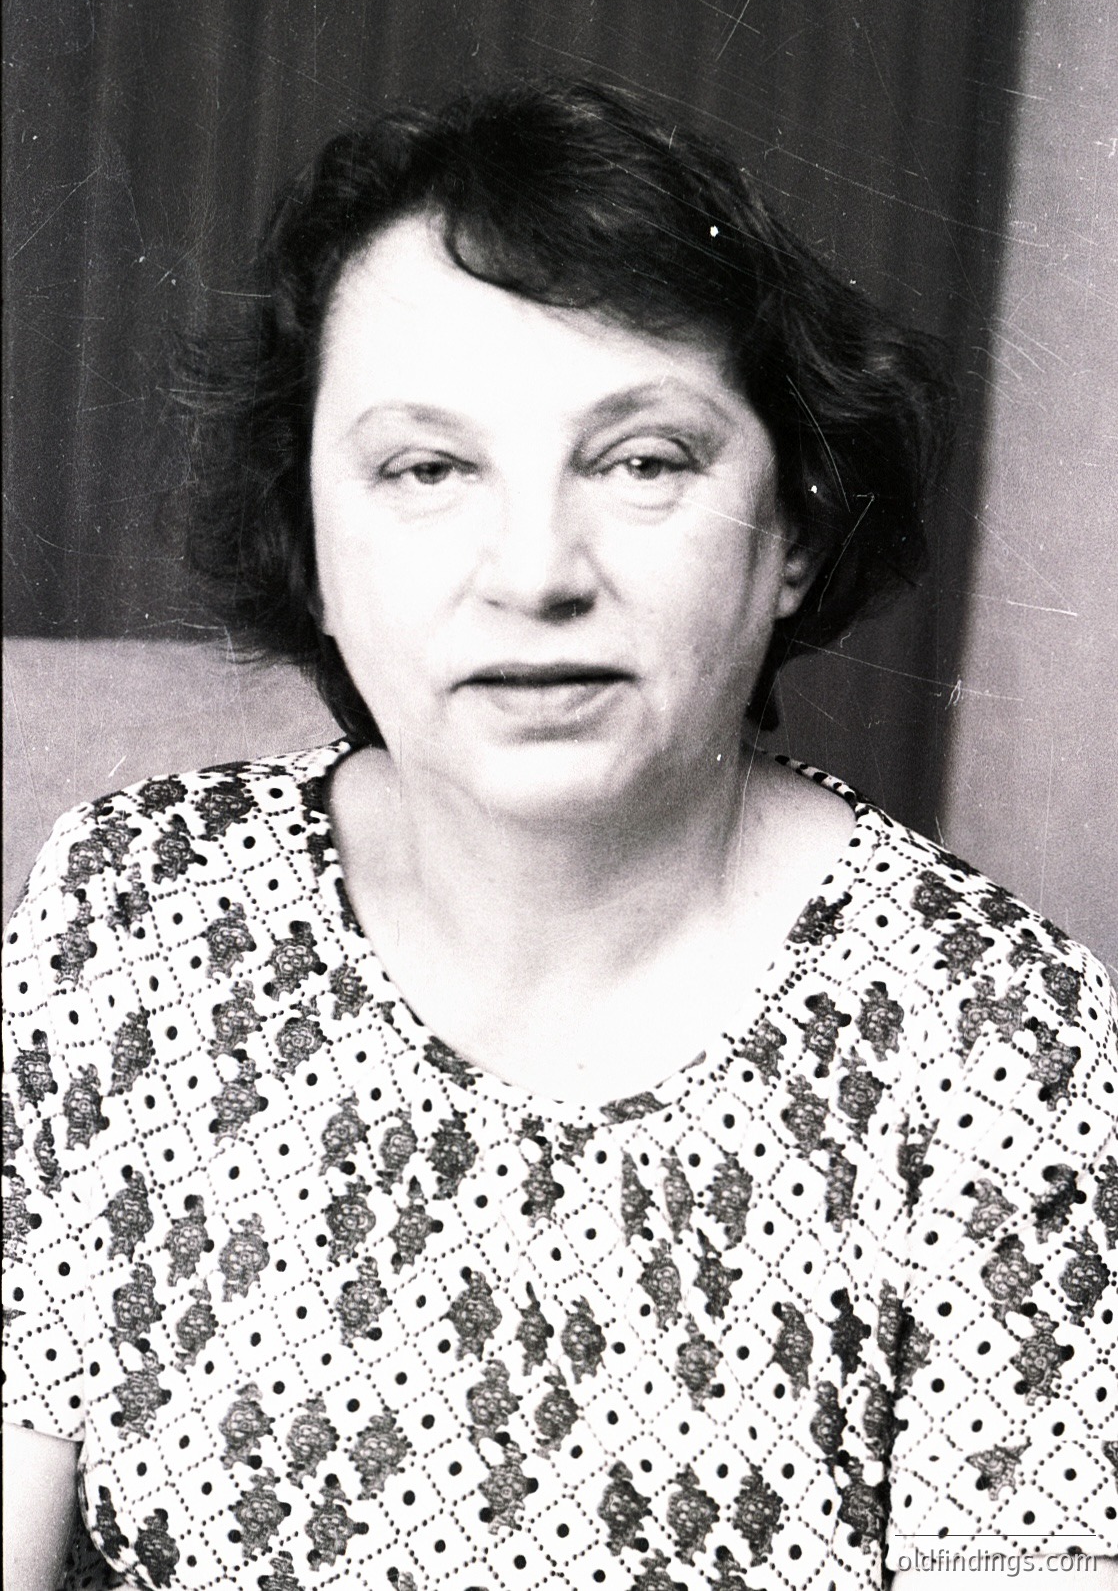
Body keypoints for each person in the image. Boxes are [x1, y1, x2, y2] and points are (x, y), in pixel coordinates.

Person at [3, 79, 1115, 1591]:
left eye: (642, 459)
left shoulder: (1005, 1041)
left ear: (790, 524)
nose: (533, 571)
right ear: (310, 538)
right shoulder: (128, 911)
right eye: (426, 468)